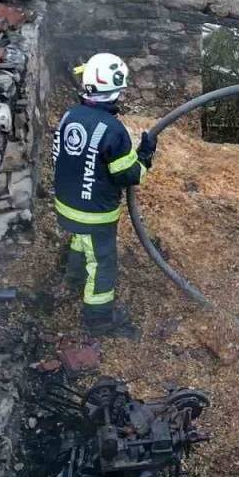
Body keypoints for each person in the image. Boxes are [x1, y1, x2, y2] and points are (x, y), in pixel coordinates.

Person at [53, 52, 156, 337]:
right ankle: (98, 318)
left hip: (67, 204)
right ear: (114, 89)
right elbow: (129, 175)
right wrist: (145, 156)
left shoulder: (69, 115)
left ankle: (72, 279)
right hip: (95, 214)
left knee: (80, 240)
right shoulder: (113, 130)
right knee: (102, 263)